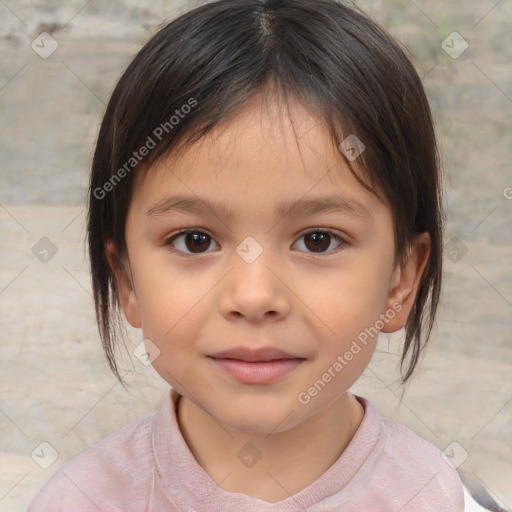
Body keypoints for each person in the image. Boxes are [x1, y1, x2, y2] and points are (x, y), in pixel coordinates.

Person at [27, 0, 466, 510]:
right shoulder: (82, 501)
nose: (254, 297)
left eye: (318, 239)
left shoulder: (434, 496)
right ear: (126, 279)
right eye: (195, 240)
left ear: (401, 281)